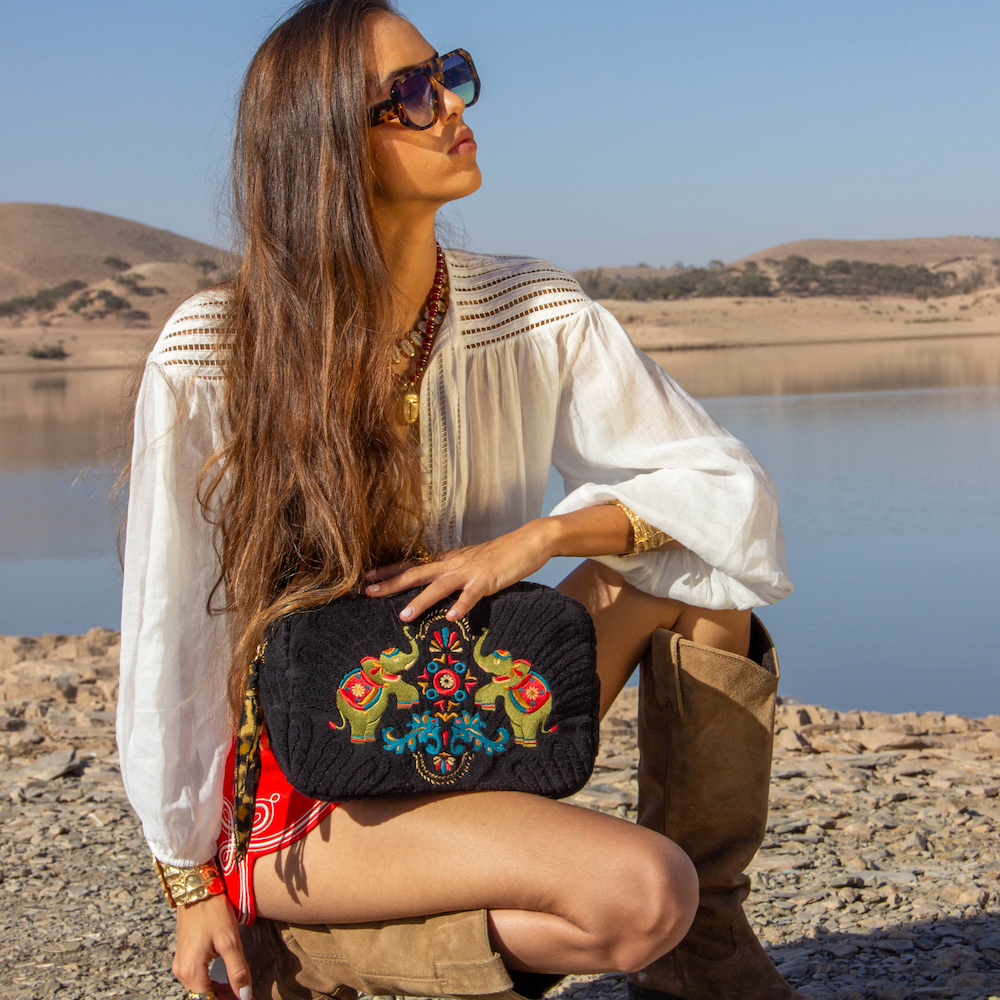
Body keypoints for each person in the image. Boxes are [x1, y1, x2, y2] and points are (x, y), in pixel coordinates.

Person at [117, 2, 798, 999]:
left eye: (449, 74)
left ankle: (707, 956)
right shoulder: (216, 348)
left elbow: (728, 493)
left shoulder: (530, 308)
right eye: (408, 94)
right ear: (324, 146)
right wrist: (188, 878)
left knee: (700, 571)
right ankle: (301, 952)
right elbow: (168, 627)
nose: (451, 107)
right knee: (642, 893)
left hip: (472, 700)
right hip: (308, 777)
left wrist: (539, 538)